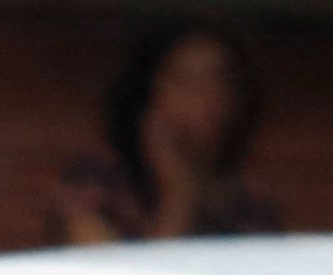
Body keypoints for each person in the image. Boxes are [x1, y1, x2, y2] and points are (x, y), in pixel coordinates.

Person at [47, 19, 284, 247]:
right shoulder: (94, 182)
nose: (205, 97)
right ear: (149, 92)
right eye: (186, 80)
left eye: (219, 81)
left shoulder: (250, 208)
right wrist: (179, 193)